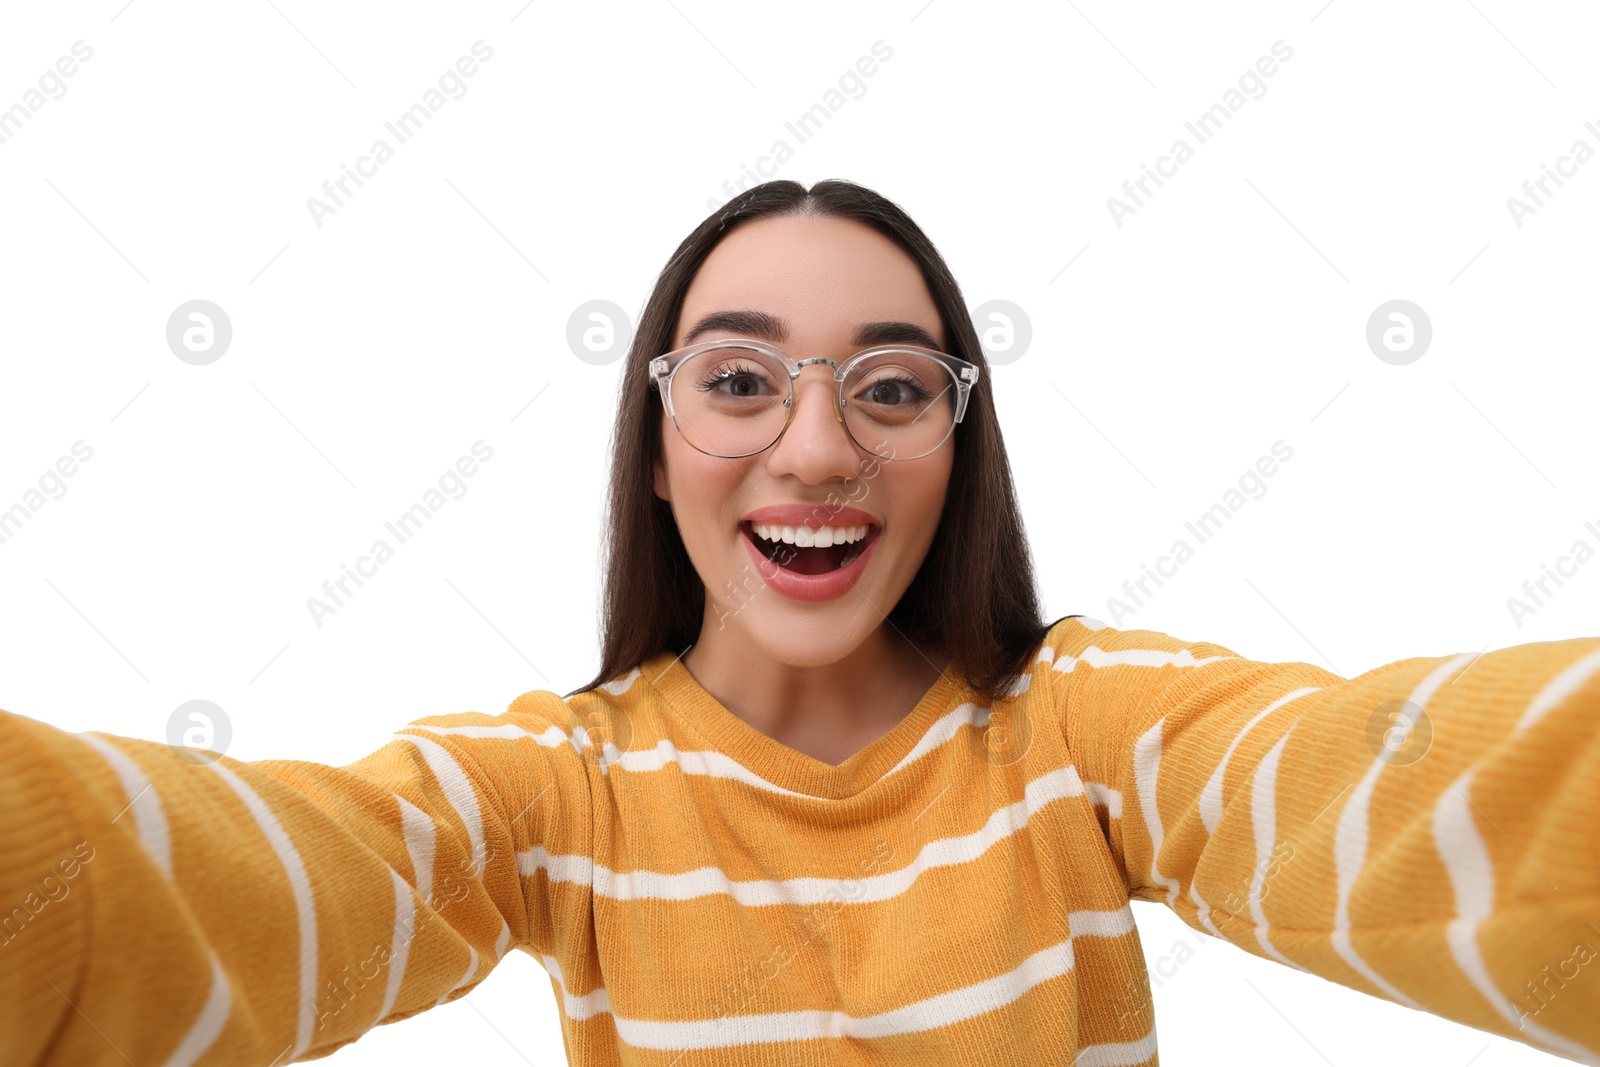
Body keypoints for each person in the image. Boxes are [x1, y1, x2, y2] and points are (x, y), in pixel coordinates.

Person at [2, 179, 1596, 1067]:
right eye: (742, 380)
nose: (820, 448)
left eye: (892, 388)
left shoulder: (1088, 729)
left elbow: (1381, 793)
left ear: (956, 450)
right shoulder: (553, 788)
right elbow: (250, 887)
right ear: (656, 445)